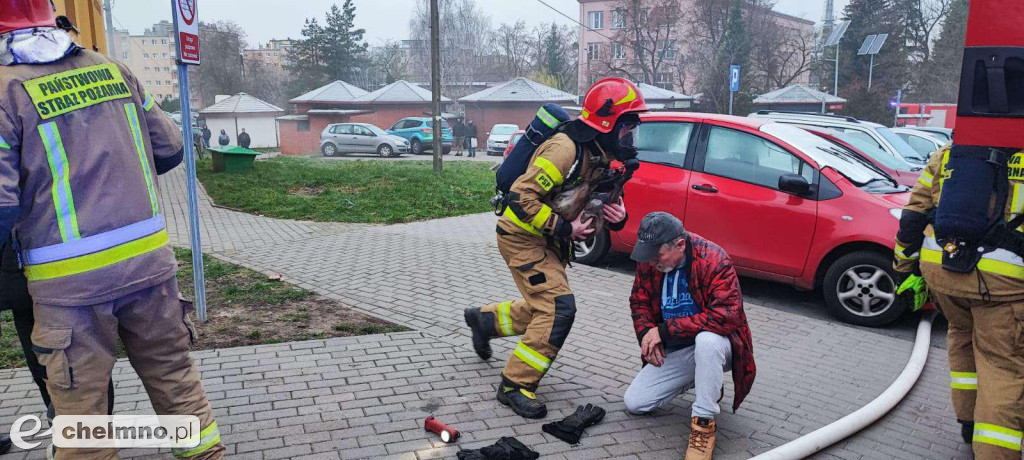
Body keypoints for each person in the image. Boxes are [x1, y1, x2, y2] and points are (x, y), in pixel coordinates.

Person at [0, 2, 224, 459]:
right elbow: (170, 150)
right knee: (176, 380)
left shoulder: (5, 92)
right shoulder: (111, 69)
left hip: (69, 286)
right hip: (149, 266)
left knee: (82, 417)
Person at [463, 77, 647, 419]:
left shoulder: (602, 153)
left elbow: (595, 200)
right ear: (607, 123)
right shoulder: (565, 148)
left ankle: (484, 321)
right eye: (626, 126)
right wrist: (565, 227)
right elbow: (521, 199)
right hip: (521, 237)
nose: (629, 136)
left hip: (548, 241)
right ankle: (514, 385)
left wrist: (619, 217)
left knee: (543, 307)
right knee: (558, 308)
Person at [623, 212, 756, 460]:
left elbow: (727, 317)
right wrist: (645, 333)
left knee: (707, 342)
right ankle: (707, 379)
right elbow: (638, 302)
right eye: (648, 255)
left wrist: (664, 330)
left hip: (721, 346)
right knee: (635, 403)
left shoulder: (714, 260)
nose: (651, 262)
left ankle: (703, 424)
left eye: (657, 255)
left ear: (680, 245)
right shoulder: (650, 260)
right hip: (681, 350)